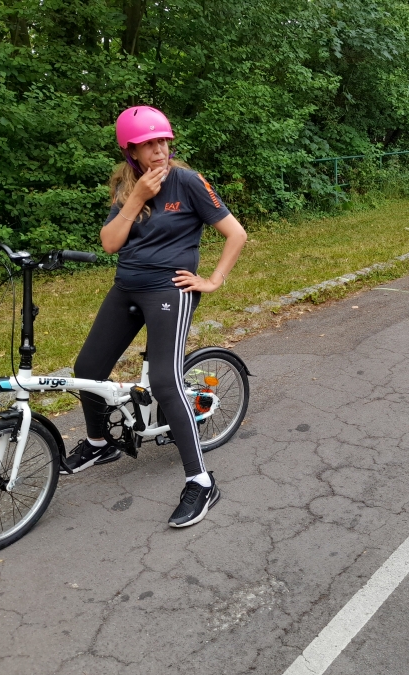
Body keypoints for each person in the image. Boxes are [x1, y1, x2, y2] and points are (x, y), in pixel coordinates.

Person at [61, 105, 248, 529]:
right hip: (126, 287)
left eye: (164, 141)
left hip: (169, 290)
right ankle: (99, 443)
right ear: (131, 151)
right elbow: (110, 243)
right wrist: (138, 198)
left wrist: (213, 280)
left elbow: (235, 233)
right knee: (87, 368)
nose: (160, 150)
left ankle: (201, 482)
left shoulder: (188, 181)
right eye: (149, 144)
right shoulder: (127, 187)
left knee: (164, 381)